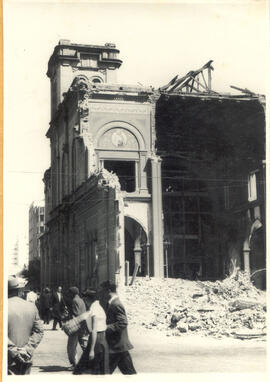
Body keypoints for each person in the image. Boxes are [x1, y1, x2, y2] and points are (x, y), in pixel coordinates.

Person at [8, 276, 44, 375]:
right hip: (26, 357)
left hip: (7, 359)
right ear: (19, 290)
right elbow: (39, 331)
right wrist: (27, 349)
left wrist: (14, 351)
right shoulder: (31, 306)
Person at [99, 280, 136, 374]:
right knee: (129, 373)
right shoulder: (112, 303)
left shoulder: (116, 304)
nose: (101, 293)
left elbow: (123, 322)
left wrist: (106, 328)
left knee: (103, 373)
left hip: (117, 346)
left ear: (108, 291)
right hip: (117, 346)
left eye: (102, 291)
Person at [73, 289, 109, 375]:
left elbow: (94, 330)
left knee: (83, 368)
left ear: (88, 299)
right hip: (102, 339)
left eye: (85, 299)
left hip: (96, 340)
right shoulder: (99, 306)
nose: (85, 301)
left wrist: (92, 350)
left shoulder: (94, 308)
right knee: (98, 368)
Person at [67, 286, 87, 370]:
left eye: (69, 293)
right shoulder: (81, 300)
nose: (69, 294)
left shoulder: (74, 300)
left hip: (76, 326)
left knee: (71, 347)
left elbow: (77, 314)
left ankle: (74, 364)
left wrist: (69, 316)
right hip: (83, 325)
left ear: (72, 293)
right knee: (84, 345)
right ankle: (91, 362)